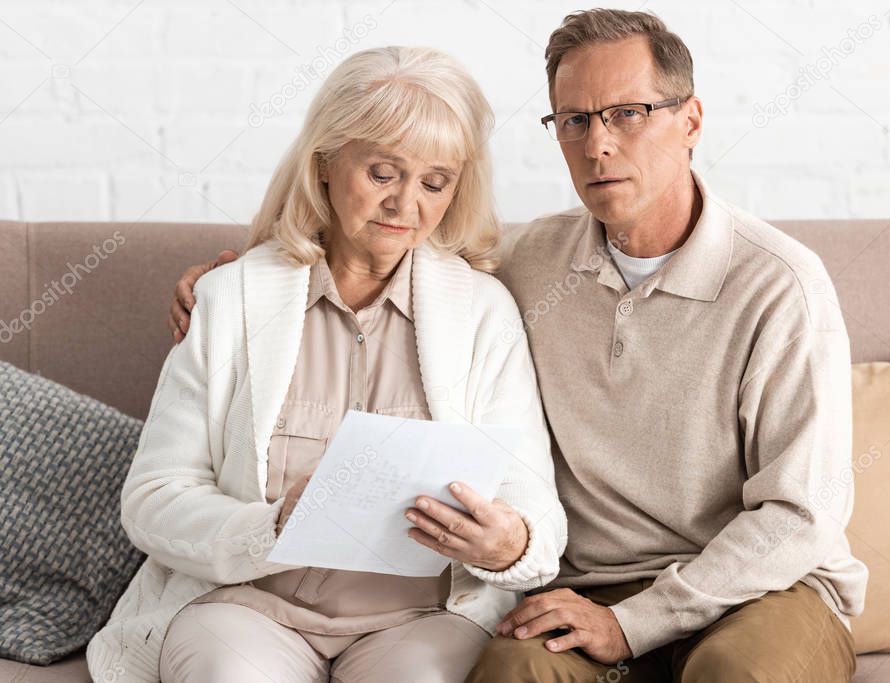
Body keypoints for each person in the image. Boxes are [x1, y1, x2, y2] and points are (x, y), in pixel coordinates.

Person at [168, 9, 868, 682]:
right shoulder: (526, 264)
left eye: (628, 113)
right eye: (574, 120)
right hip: (587, 590)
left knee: (739, 673)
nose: (597, 144)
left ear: (690, 121)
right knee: (509, 671)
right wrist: (235, 279)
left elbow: (799, 512)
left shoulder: (779, 285)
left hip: (757, 588)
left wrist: (637, 622)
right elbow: (382, 242)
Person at [86, 46, 567, 683]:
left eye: (434, 182)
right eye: (381, 172)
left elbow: (534, 510)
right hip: (246, 609)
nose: (405, 204)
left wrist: (511, 545)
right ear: (325, 166)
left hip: (420, 620)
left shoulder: (484, 312)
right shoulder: (231, 297)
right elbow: (152, 498)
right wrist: (271, 526)